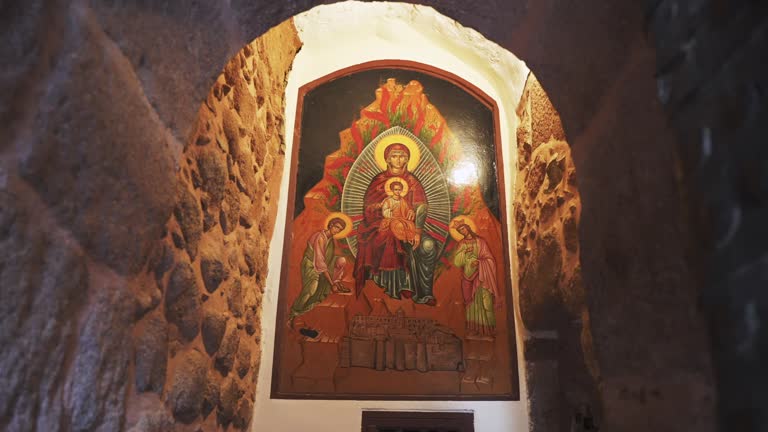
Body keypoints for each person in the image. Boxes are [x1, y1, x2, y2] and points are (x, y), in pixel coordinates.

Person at [354, 143, 437, 305]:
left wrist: (418, 231)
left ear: (407, 159)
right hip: (381, 225)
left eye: (402, 156)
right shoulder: (378, 181)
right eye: (394, 156)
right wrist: (381, 210)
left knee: (428, 246)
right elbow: (368, 208)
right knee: (392, 237)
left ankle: (423, 294)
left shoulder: (412, 181)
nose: (398, 160)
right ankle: (396, 286)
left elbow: (421, 206)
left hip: (409, 226)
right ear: (387, 158)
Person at [288, 217, 349, 327]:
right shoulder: (320, 238)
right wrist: (331, 284)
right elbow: (320, 262)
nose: (337, 230)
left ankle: (337, 282)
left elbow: (328, 258)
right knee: (311, 289)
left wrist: (334, 280)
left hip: (322, 265)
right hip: (311, 265)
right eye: (336, 227)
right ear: (330, 225)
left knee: (341, 260)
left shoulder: (330, 239)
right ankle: (294, 313)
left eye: (340, 230)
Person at [451, 218, 499, 335]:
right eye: (460, 231)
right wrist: (465, 252)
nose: (463, 231)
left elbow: (490, 259)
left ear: (468, 228)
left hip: (482, 276)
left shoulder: (480, 242)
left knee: (486, 302)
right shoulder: (462, 244)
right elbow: (457, 262)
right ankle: (474, 330)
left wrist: (479, 262)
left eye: (463, 228)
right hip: (468, 277)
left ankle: (489, 330)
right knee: (471, 305)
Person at [378, 180, 419, 246]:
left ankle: (408, 241)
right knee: (400, 225)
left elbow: (407, 210)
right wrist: (390, 210)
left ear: (402, 190)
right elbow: (385, 212)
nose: (398, 191)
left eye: (399, 190)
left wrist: (410, 211)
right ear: (392, 190)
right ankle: (404, 241)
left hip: (402, 218)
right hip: (391, 219)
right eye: (396, 189)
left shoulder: (402, 200)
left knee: (411, 225)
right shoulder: (388, 200)